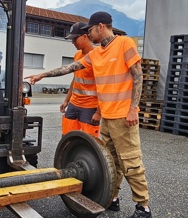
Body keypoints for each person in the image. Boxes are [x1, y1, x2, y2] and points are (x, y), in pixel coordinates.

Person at [25, 11, 152, 218]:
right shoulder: (95, 54)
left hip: (123, 117)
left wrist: (132, 109)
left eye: (90, 30)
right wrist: (42, 75)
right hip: (107, 119)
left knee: (130, 162)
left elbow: (138, 75)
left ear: (100, 26)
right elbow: (70, 68)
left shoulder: (124, 44)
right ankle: (113, 198)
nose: (89, 34)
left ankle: (143, 207)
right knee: (111, 162)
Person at [60, 22, 100, 137]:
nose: (72, 42)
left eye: (74, 39)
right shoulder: (77, 55)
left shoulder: (97, 57)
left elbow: (103, 86)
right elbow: (75, 79)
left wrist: (98, 112)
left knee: (89, 142)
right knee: (67, 137)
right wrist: (66, 100)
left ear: (85, 36)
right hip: (73, 104)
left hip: (89, 107)